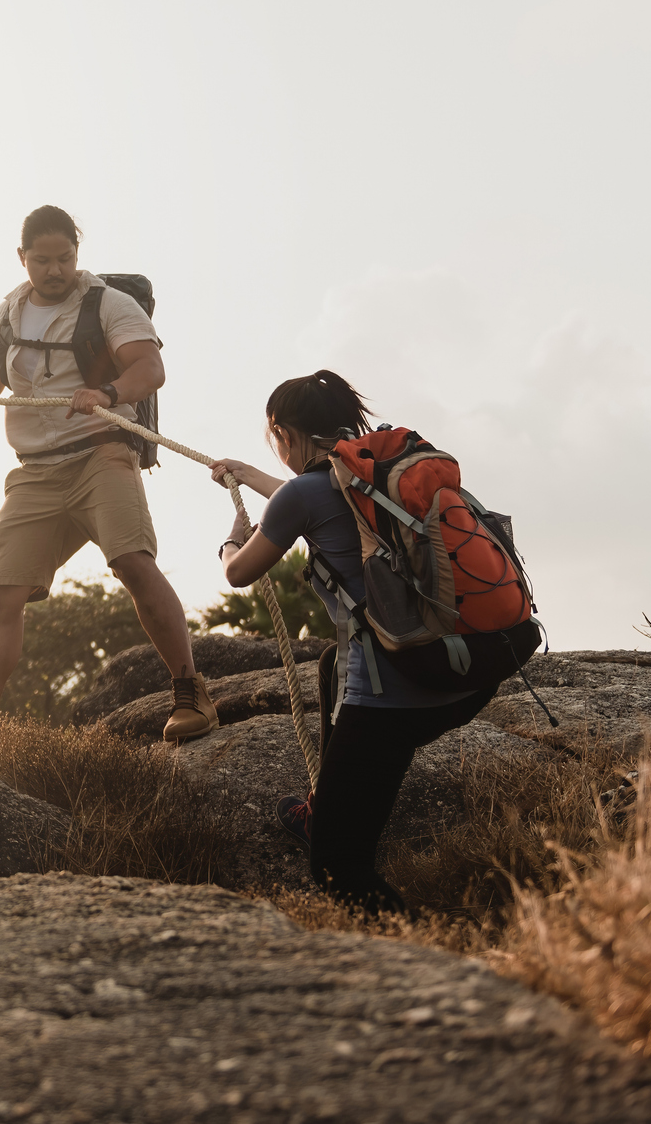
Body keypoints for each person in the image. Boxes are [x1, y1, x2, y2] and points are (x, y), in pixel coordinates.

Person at [0, 205, 216, 742]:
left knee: (132, 562)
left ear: (77, 252)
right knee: (2, 592)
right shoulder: (5, 315)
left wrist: (107, 393)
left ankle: (191, 694)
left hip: (101, 454)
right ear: (21, 258)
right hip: (36, 471)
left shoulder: (109, 305)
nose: (54, 270)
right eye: (41, 260)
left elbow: (149, 367)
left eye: (64, 258)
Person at [210, 369, 495, 917]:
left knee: (337, 868)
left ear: (283, 435)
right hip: (467, 674)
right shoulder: (379, 473)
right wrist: (246, 475)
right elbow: (309, 502)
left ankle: (422, 957)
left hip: (394, 700)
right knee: (330, 663)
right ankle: (327, 805)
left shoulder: (307, 493)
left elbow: (239, 573)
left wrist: (230, 539)